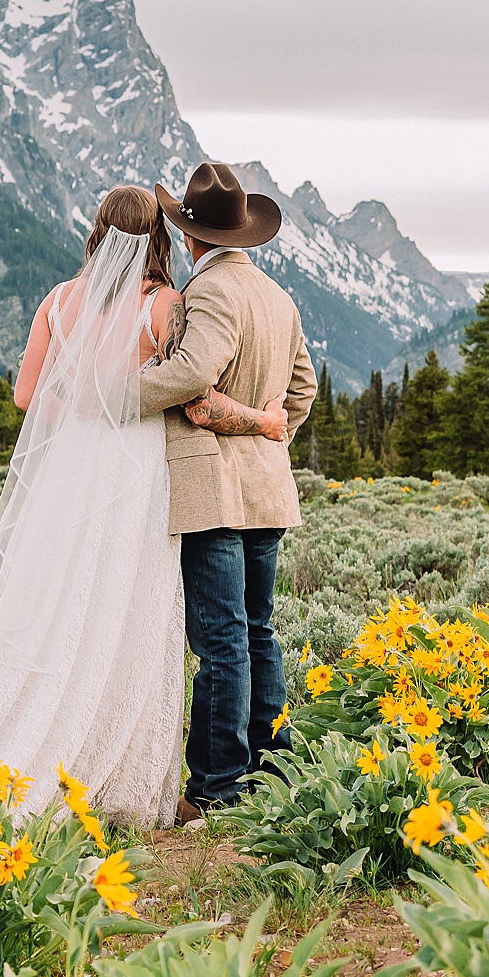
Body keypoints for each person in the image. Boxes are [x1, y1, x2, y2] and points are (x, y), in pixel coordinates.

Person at [0, 185, 282, 840]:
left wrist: (84, 414)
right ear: (158, 235)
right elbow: (192, 392)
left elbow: (26, 393)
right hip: (136, 465)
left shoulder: (58, 301)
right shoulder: (164, 304)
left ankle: (32, 744)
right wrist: (259, 419)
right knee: (131, 611)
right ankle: (121, 774)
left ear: (97, 231)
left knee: (60, 603)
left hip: (71, 465)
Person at [138, 161, 317, 820]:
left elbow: (193, 371)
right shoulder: (278, 297)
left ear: (191, 237)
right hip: (267, 490)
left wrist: (113, 399)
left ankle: (216, 787)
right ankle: (274, 768)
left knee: (221, 638)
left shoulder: (210, 291)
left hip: (214, 490)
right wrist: (266, 433)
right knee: (257, 631)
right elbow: (302, 392)